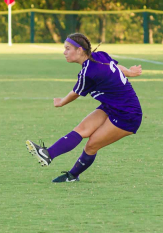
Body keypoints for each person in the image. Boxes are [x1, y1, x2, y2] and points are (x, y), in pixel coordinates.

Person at [25, 33, 143, 183]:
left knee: (92, 144)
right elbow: (116, 67)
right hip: (112, 105)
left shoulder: (88, 72)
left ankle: (72, 176)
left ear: (79, 50)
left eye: (68, 49)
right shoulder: (100, 56)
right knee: (81, 130)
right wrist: (130, 72)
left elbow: (75, 93)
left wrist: (61, 102)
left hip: (128, 115)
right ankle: (47, 154)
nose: (64, 52)